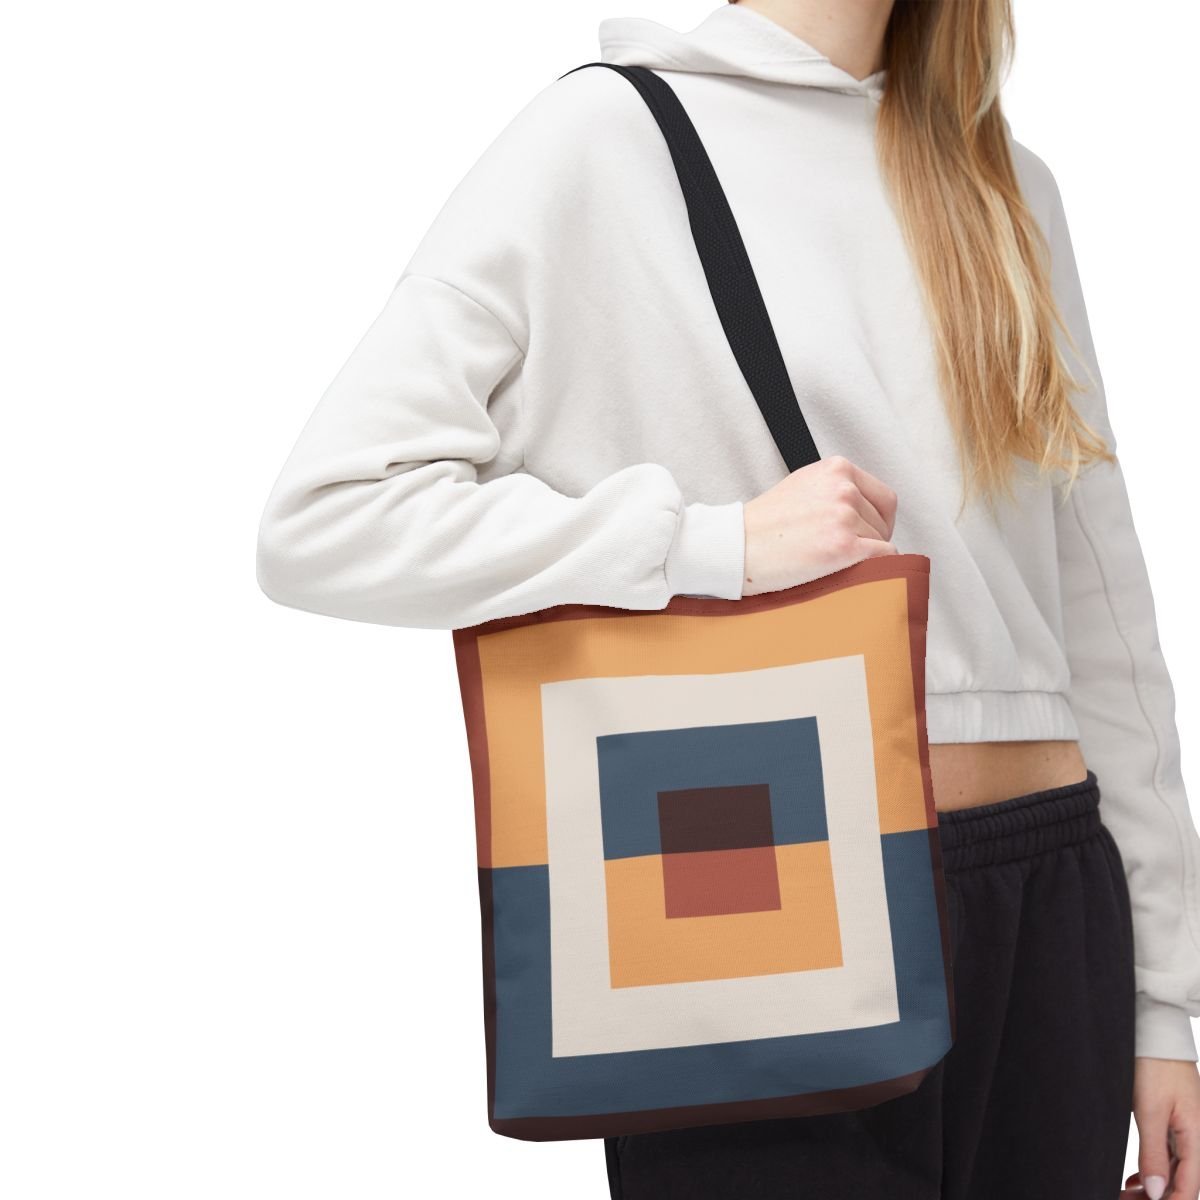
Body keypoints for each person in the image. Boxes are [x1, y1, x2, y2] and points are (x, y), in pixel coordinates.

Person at [256, 1, 1200, 1196]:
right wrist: (710, 545)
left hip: (1056, 897)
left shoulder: (1005, 179)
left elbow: (1103, 604)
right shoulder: (602, 143)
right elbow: (327, 515)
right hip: (761, 885)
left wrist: (1163, 1002)